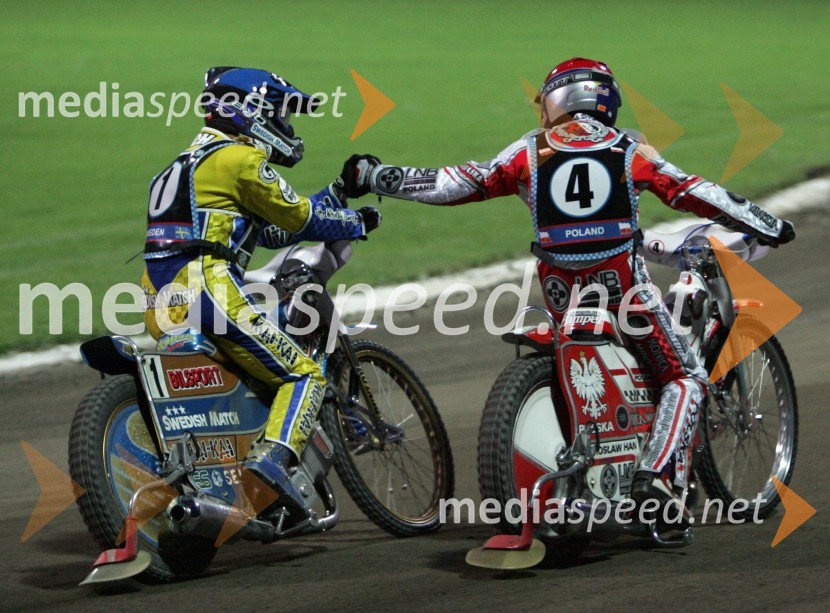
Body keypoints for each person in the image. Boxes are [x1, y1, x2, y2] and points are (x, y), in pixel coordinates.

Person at [341, 57, 795, 512]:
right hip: (623, 290)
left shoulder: (527, 151)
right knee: (685, 375)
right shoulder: (628, 148)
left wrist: (376, 176)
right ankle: (655, 476)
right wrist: (765, 222)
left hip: (561, 293)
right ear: (605, 100)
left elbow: (455, 182)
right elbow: (692, 190)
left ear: (558, 100)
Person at [141, 66, 381, 521]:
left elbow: (266, 230)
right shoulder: (239, 159)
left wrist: (335, 192)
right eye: (281, 115)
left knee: (250, 373)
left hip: (158, 300)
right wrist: (357, 222)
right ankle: (272, 462)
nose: (287, 127)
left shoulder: (183, 164)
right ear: (252, 112)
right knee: (304, 374)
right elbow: (298, 221)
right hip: (207, 289)